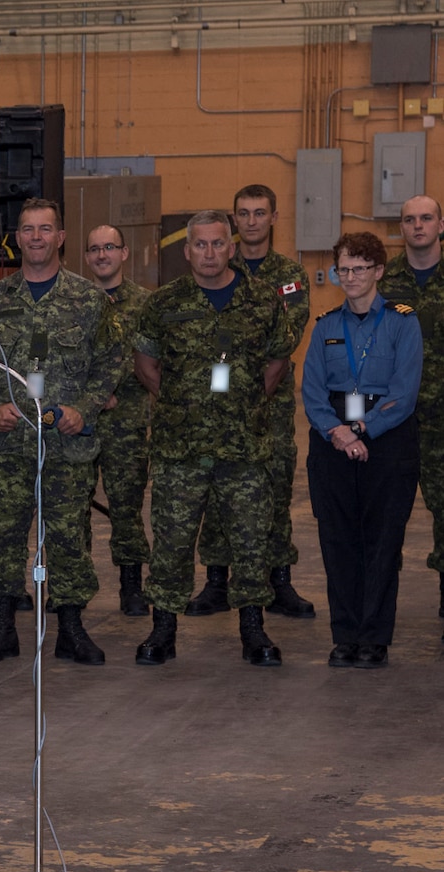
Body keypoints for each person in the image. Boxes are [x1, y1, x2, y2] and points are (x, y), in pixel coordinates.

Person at [0, 199, 123, 665]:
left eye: (45, 229)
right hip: (5, 446)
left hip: (65, 445)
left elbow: (111, 365)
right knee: (4, 534)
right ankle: (1, 627)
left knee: (70, 536)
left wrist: (84, 408)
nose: (35, 237)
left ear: (60, 238)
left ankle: (71, 628)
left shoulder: (89, 300)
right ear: (17, 238)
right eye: (27, 229)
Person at [132, 210, 295, 667]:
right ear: (187, 252)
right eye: (200, 245)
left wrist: (243, 403)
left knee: (249, 541)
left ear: (232, 246)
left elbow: (277, 361)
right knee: (172, 541)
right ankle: (163, 630)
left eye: (217, 244)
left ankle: (253, 629)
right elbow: (145, 364)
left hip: (244, 449)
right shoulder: (163, 303)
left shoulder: (262, 300)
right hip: (179, 451)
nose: (209, 253)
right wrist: (182, 404)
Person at [187, 185, 315, 620]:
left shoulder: (289, 275)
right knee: (216, 488)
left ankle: (279, 581)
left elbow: (286, 336)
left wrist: (250, 390)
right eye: (243, 213)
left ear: (274, 218)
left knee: (276, 490)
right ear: (234, 221)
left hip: (270, 406)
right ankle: (217, 581)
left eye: (260, 213)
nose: (252, 220)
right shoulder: (218, 266)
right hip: (217, 406)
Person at [303, 233, 422, 667]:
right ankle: (345, 635)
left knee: (382, 542)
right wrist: (338, 432)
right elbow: (313, 391)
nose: (350, 277)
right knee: (338, 540)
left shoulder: (403, 322)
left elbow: (404, 394)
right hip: (332, 442)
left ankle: (374, 638)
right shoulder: (326, 325)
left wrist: (362, 430)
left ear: (378, 271)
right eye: (344, 269)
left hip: (387, 441)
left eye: (359, 268)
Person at [377, 195, 444, 622]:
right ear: (400, 228)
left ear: (441, 224)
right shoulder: (383, 282)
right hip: (394, 422)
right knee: (385, 518)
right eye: (409, 220)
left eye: (426, 218)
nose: (417, 225)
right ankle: (379, 606)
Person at [84, 223, 154, 616]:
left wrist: (111, 390)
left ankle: (131, 585)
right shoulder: (76, 301)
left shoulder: (145, 304)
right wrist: (93, 396)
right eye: (94, 249)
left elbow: (151, 359)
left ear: (124, 253)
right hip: (81, 424)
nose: (102, 255)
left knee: (126, 507)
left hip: (126, 423)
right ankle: (72, 585)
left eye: (109, 247)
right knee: (74, 507)